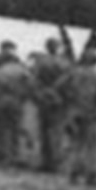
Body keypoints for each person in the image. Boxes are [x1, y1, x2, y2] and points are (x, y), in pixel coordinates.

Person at [58, 49, 96, 186]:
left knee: (76, 143)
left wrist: (68, 98)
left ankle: (74, 174)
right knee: (92, 145)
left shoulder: (73, 73)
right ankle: (91, 175)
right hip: (91, 112)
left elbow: (58, 86)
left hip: (74, 112)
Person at [31, 39, 69, 173]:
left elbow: (34, 81)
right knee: (57, 131)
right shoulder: (64, 63)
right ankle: (56, 161)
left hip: (44, 99)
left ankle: (46, 161)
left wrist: (37, 97)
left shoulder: (41, 63)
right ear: (57, 48)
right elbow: (68, 82)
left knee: (44, 131)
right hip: (59, 101)